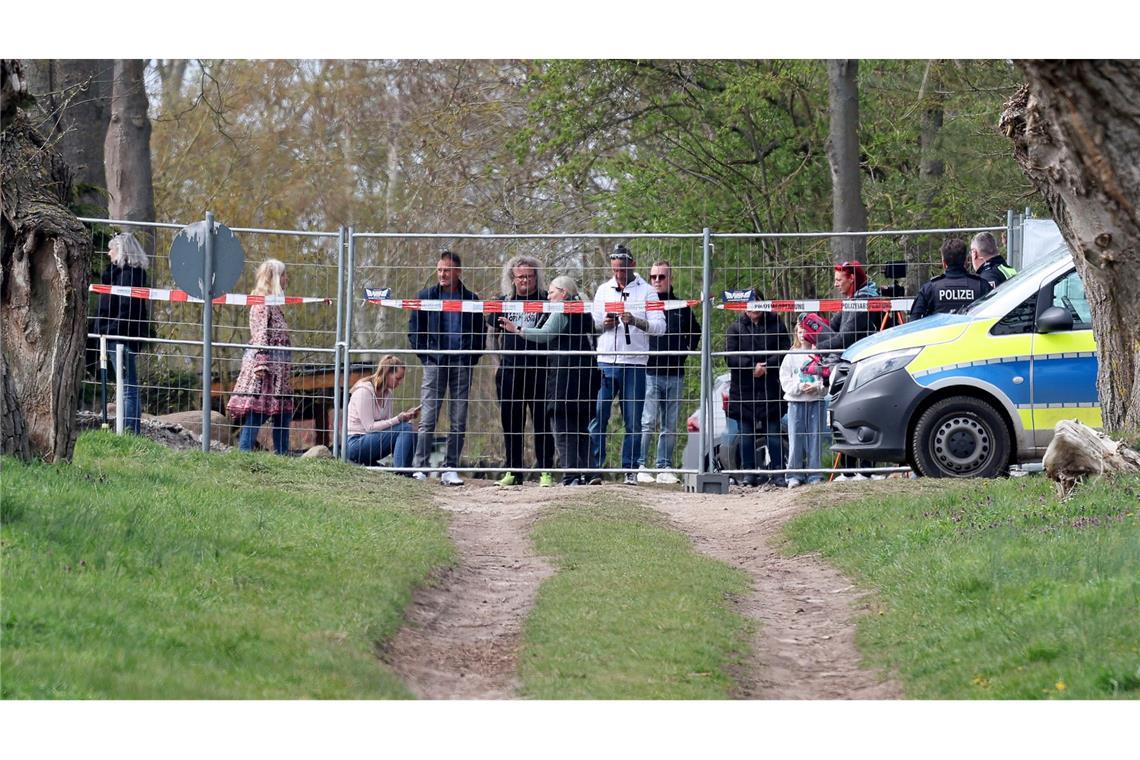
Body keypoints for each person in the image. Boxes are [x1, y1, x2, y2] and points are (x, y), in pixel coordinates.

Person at [498, 276, 600, 485]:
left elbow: (545, 334)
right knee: (582, 428)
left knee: (562, 426)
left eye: (552, 292)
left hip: (565, 377)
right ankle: (591, 473)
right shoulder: (583, 310)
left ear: (563, 293)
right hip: (586, 377)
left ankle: (571, 475)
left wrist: (517, 330)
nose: (548, 295)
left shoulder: (562, 310)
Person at [587, 244, 666, 485]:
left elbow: (660, 327)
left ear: (632, 265)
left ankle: (630, 468)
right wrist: (604, 325)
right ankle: (594, 469)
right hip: (606, 362)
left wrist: (636, 321)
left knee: (632, 419)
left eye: (622, 270)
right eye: (614, 271)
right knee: (598, 415)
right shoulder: (603, 290)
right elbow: (591, 327)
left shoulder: (648, 292)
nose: (618, 275)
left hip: (634, 364)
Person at [407, 250, 485, 486]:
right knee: (428, 417)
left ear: (458, 272)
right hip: (435, 363)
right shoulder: (425, 297)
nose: (442, 274)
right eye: (440, 270)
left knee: (458, 419)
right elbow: (413, 332)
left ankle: (450, 467)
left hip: (462, 363)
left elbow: (481, 335)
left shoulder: (471, 300)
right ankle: (419, 467)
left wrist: (470, 358)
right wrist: (427, 357)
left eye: (447, 270)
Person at [487, 255, 556, 487]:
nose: (525, 280)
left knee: (542, 422)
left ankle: (545, 471)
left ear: (536, 277)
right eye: (520, 277)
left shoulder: (547, 300)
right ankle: (514, 471)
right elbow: (491, 336)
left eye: (529, 276)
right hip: (509, 372)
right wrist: (496, 365)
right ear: (512, 279)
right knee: (511, 423)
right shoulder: (503, 301)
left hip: (540, 370)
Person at [636, 261, 700, 484]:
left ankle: (665, 466)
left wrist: (684, 351)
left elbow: (695, 332)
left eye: (661, 277)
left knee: (670, 424)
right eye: (653, 276)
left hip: (675, 372)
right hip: (650, 371)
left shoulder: (681, 306)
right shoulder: (644, 304)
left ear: (670, 279)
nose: (656, 280)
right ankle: (640, 465)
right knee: (648, 421)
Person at [227, 259, 294, 454]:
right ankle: (244, 453)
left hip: (279, 370)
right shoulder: (261, 303)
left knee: (282, 413)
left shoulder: (275, 304)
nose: (286, 278)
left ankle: (282, 455)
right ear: (273, 278)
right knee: (257, 411)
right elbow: (260, 333)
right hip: (265, 368)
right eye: (283, 275)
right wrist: (261, 363)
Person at [725, 292, 790, 488]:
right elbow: (730, 356)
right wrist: (751, 366)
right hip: (743, 389)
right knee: (745, 433)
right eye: (748, 303)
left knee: (773, 431)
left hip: (770, 387)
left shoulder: (776, 323)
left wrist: (767, 366)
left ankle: (778, 472)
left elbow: (785, 349)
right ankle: (748, 474)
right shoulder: (735, 327)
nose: (753, 307)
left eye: (757, 303)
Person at [94, 232, 151, 434]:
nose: (108, 253)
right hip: (121, 335)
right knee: (129, 387)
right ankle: (131, 431)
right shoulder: (128, 275)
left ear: (121, 251)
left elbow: (127, 308)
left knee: (127, 388)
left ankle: (128, 432)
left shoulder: (126, 276)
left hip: (119, 337)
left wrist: (107, 330)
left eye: (112, 248)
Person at [346, 354, 421, 471]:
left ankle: (402, 471)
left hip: (371, 441)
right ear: (387, 374)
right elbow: (370, 427)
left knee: (409, 428)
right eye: (398, 378)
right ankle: (402, 473)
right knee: (406, 429)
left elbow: (388, 427)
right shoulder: (364, 392)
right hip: (355, 443)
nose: (400, 382)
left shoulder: (388, 394)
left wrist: (406, 418)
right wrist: (398, 419)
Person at [780, 314, 829, 488]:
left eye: (805, 331)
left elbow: (826, 378)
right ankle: (793, 474)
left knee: (815, 439)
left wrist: (817, 387)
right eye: (799, 331)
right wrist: (798, 387)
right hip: (796, 403)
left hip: (816, 401)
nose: (802, 334)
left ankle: (814, 474)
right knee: (796, 440)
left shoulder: (819, 354)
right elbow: (785, 379)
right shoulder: (790, 356)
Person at [909, 238, 990, 321]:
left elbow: (913, 321)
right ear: (966, 261)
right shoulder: (982, 285)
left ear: (944, 263)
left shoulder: (930, 288)